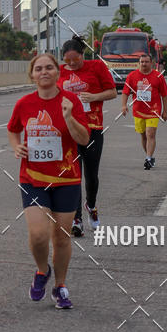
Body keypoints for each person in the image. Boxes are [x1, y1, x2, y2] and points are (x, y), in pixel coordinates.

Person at [7, 53, 90, 310]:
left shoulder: (71, 101)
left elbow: (84, 139)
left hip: (67, 178)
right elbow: (13, 129)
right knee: (39, 234)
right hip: (33, 179)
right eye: (39, 68)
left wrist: (68, 117)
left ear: (58, 72)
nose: (44, 72)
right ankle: (42, 271)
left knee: (62, 238)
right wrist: (16, 147)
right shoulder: (24, 104)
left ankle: (60, 286)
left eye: (49, 68)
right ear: (32, 75)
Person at [58, 37, 117, 236]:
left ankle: (91, 206)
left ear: (83, 54)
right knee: (73, 175)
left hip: (92, 127)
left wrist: (94, 97)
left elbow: (112, 92)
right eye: (68, 61)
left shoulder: (97, 67)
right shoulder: (60, 71)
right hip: (69, 130)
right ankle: (76, 220)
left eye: (75, 60)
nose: (72, 64)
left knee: (91, 176)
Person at [121, 53, 167, 170]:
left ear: (151, 63)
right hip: (138, 111)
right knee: (143, 136)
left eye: (146, 62)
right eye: (142, 62)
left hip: (154, 110)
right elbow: (126, 92)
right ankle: (150, 155)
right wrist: (123, 105)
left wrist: (165, 111)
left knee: (150, 134)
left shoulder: (158, 76)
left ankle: (148, 159)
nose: (144, 64)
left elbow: (165, 94)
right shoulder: (132, 76)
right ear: (139, 63)